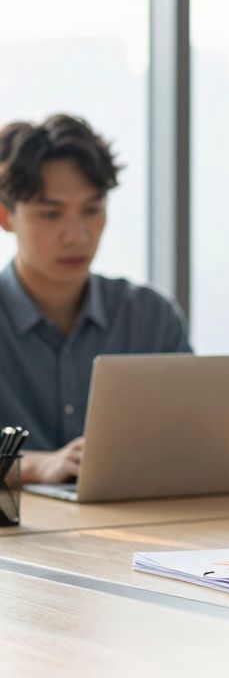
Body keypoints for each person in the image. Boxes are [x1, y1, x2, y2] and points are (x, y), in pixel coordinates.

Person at [0, 114, 191, 484]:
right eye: (51, 214)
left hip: (137, 514)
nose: (77, 235)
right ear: (6, 216)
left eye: (92, 210)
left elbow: (192, 437)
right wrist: (38, 466)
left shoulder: (151, 316)